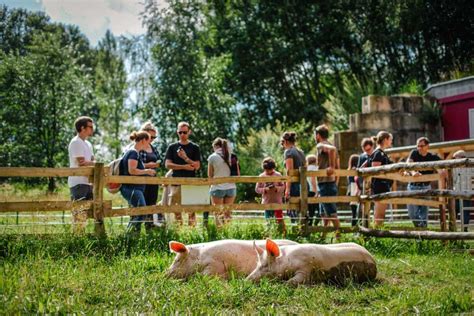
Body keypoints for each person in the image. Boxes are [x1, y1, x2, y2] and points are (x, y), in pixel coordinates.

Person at [165, 122, 201, 226]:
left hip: (190, 183)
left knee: (191, 210)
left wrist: (185, 158)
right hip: (176, 183)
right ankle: (179, 230)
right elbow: (167, 165)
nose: (182, 134)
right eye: (180, 132)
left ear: (189, 132)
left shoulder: (195, 147)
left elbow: (197, 166)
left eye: (184, 132)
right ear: (177, 132)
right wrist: (183, 167)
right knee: (176, 209)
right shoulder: (172, 147)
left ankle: (191, 231)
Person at [120, 131, 157, 233]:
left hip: (134, 188)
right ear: (143, 140)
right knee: (141, 211)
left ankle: (132, 236)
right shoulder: (133, 152)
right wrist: (147, 171)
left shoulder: (132, 152)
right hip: (132, 188)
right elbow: (132, 170)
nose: (149, 144)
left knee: (138, 212)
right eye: (148, 141)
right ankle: (129, 235)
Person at [404, 137, 441, 228]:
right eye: (418, 146)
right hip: (413, 186)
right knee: (412, 213)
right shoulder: (414, 153)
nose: (419, 148)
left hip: (426, 187)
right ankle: (421, 229)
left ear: (427, 146)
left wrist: (441, 171)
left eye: (422, 146)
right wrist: (413, 172)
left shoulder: (433, 157)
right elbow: (408, 164)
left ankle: (423, 234)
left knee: (424, 213)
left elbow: (442, 167)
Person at [68, 116, 95, 233]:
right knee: (79, 213)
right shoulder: (76, 142)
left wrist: (94, 163)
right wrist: (95, 164)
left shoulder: (88, 144)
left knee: (88, 212)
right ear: (82, 128)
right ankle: (77, 238)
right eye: (90, 127)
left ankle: (82, 237)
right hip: (78, 182)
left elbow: (92, 161)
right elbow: (81, 162)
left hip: (88, 182)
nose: (92, 129)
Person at [314, 124, 340, 238]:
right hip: (328, 182)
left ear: (318, 135)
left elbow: (332, 151)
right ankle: (323, 236)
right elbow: (339, 166)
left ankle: (339, 236)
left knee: (331, 213)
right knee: (324, 213)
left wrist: (331, 166)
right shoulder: (329, 144)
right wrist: (336, 181)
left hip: (326, 183)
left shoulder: (321, 145)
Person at [137, 122, 164, 229]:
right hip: (141, 180)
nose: (152, 139)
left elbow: (158, 159)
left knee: (152, 202)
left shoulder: (153, 148)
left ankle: (149, 226)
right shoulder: (138, 147)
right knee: (141, 203)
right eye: (151, 136)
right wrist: (149, 165)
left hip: (153, 180)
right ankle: (136, 227)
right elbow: (135, 164)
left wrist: (156, 164)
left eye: (154, 137)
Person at [207, 137, 237, 227]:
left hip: (217, 188)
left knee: (218, 213)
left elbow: (210, 175)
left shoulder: (212, 157)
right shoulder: (232, 155)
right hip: (231, 188)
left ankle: (220, 234)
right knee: (228, 213)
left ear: (215, 146)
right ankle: (228, 233)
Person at [368, 131, 393, 228]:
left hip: (382, 185)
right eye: (390, 139)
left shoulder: (381, 153)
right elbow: (375, 170)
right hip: (379, 186)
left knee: (380, 214)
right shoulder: (378, 153)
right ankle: (376, 234)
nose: (391, 141)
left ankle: (377, 232)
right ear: (385, 139)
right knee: (379, 215)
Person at [281, 132, 306, 224]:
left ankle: (296, 232)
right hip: (303, 184)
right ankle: (302, 230)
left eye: (282, 142)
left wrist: (287, 189)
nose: (282, 145)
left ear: (286, 141)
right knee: (301, 209)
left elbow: (290, 172)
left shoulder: (288, 152)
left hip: (294, 184)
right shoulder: (301, 152)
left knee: (293, 209)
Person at [255, 157, 285, 230]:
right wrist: (264, 190)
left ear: (273, 168)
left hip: (277, 201)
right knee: (268, 220)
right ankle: (269, 233)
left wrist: (277, 188)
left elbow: (283, 186)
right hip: (267, 201)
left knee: (279, 219)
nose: (269, 172)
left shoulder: (278, 175)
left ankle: (281, 232)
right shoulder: (261, 176)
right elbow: (257, 189)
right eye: (267, 170)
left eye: (270, 170)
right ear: (264, 169)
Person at [452, 150, 472, 232]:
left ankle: (464, 229)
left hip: (464, 192)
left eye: (456, 158)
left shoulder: (470, 167)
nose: (454, 160)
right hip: (458, 192)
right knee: (455, 210)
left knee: (465, 211)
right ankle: (456, 228)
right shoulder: (455, 168)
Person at [306, 155, 320, 226]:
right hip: (316, 189)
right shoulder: (316, 168)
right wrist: (316, 191)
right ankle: (316, 222)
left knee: (311, 210)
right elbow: (313, 180)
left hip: (310, 190)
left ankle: (310, 225)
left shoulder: (307, 168)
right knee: (319, 209)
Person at [347, 154, 360, 226]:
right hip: (355, 189)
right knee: (356, 213)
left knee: (354, 213)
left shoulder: (349, 171)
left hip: (351, 190)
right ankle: (356, 228)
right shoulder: (355, 170)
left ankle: (354, 228)